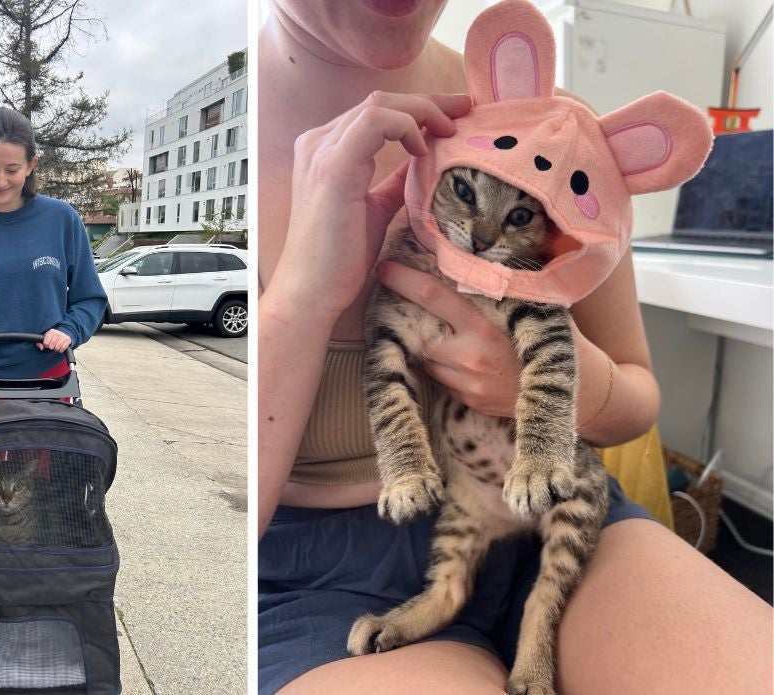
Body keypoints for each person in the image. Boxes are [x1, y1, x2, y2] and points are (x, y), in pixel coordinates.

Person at [257, 2, 773, 693]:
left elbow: (637, 394)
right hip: (323, 577)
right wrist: (300, 299)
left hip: (549, 497)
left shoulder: (560, 133)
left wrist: (535, 383)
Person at [0, 107, 106, 384]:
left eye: (12, 169)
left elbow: (90, 298)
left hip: (49, 376)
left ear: (31, 165)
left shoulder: (62, 219)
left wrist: (69, 330)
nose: (1, 181)